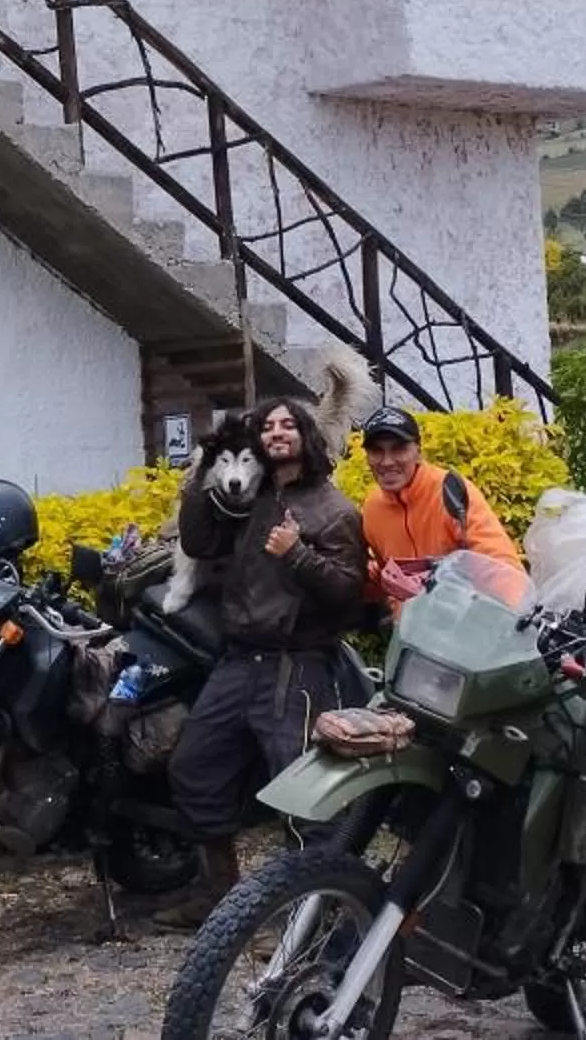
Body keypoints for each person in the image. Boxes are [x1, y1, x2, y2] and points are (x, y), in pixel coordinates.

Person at [151, 393, 371, 931]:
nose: (276, 432)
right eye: (267, 425)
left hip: (294, 667)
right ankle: (218, 891)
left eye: (287, 424)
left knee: (303, 791)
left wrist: (297, 553)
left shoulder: (333, 510)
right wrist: (203, 467)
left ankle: (316, 921)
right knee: (193, 768)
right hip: (237, 661)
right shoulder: (252, 497)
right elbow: (200, 542)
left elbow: (348, 592)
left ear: (306, 437)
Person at [357, 404, 525, 605]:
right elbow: (387, 576)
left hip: (463, 622)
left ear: (418, 451)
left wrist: (517, 610)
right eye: (376, 451)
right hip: (410, 630)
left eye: (399, 448)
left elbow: (498, 561)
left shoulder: (450, 491)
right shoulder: (372, 508)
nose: (387, 461)